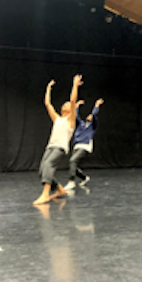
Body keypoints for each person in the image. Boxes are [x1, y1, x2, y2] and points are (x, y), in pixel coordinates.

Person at [33, 74, 83, 205]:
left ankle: (45, 194)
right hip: (50, 147)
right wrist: (48, 89)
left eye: (67, 104)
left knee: (48, 165)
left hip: (60, 148)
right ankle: (60, 189)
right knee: (42, 171)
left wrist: (75, 85)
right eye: (64, 104)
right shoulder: (57, 119)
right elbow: (48, 104)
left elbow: (73, 101)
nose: (65, 105)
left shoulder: (70, 120)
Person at [64, 98, 104, 190]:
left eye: (91, 116)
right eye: (89, 115)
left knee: (72, 161)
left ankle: (71, 182)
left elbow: (94, 114)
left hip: (85, 146)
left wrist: (97, 105)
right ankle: (85, 178)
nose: (90, 116)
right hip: (77, 145)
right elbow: (76, 116)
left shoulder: (92, 127)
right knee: (72, 164)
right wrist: (76, 107)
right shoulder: (81, 124)